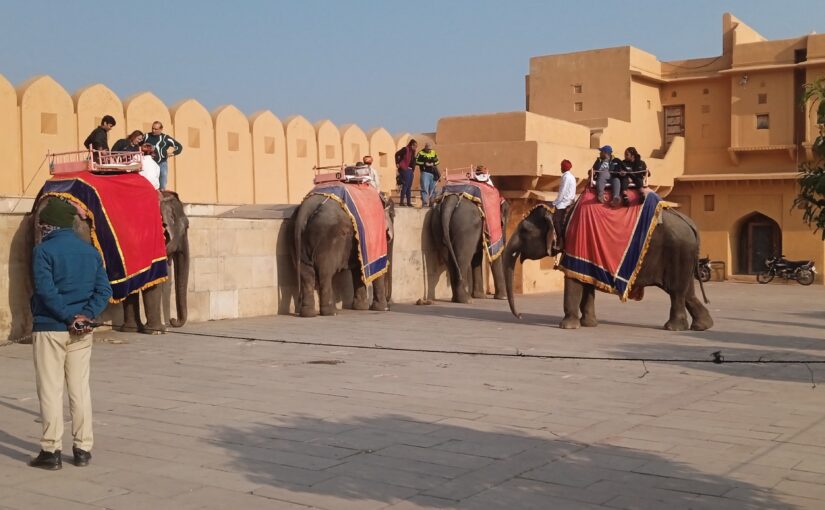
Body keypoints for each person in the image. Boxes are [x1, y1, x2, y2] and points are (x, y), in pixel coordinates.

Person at [29, 198, 112, 470]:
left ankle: (51, 451)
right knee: (79, 390)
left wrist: (68, 317)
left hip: (51, 328)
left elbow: (45, 290)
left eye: (42, 223)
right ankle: (83, 449)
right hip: (82, 331)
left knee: (50, 390)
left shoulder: (42, 251)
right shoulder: (91, 252)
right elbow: (104, 291)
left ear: (49, 224)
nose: (40, 227)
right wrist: (85, 316)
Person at [143, 121, 183, 191]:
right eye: (153, 128)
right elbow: (138, 144)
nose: (153, 130)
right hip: (150, 163)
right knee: (149, 181)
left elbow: (179, 146)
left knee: (163, 180)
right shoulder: (146, 136)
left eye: (156, 129)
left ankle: (162, 196)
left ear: (161, 129)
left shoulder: (165, 138)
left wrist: (172, 153)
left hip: (162, 163)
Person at [552, 159, 577, 251]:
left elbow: (562, 191)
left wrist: (555, 202)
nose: (560, 168)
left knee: (556, 220)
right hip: (570, 200)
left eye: (561, 166)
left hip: (565, 202)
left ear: (563, 167)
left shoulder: (565, 177)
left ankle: (560, 241)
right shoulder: (572, 176)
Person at [394, 139, 417, 207]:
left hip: (410, 170)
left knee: (409, 186)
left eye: (416, 146)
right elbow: (397, 154)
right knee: (405, 185)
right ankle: (401, 202)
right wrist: (397, 163)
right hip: (404, 168)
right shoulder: (405, 149)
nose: (415, 147)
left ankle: (408, 202)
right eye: (414, 146)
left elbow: (413, 161)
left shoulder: (413, 152)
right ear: (411, 145)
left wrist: (413, 169)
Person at [416, 142, 439, 207]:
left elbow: (438, 161)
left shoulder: (433, 152)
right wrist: (424, 163)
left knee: (432, 190)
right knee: (424, 189)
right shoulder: (420, 153)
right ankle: (425, 203)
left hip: (433, 173)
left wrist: (433, 164)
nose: (429, 150)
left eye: (430, 149)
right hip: (425, 173)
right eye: (428, 149)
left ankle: (432, 203)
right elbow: (416, 161)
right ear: (425, 148)